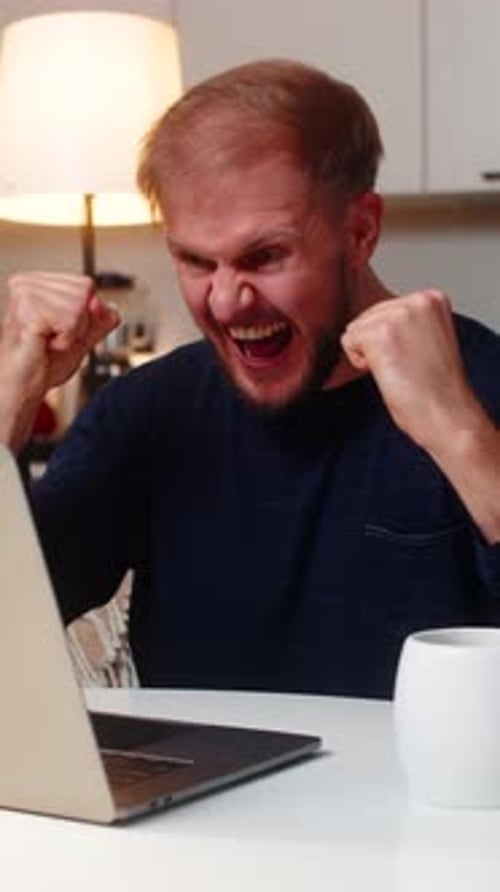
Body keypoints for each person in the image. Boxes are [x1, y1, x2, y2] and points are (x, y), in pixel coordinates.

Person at [1, 60, 499, 698]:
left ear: (360, 231)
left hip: (419, 769)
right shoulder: (148, 411)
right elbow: (12, 623)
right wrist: (10, 396)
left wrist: (458, 435)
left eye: (264, 257)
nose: (226, 301)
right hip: (203, 768)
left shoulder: (477, 387)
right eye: (195, 260)